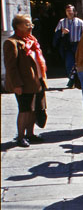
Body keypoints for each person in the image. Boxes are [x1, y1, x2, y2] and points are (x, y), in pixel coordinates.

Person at [3, 14, 48, 147]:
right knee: (25, 110)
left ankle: (30, 133)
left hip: (37, 81)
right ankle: (20, 136)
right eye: (27, 24)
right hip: (24, 83)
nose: (30, 27)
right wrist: (17, 84)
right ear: (18, 26)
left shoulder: (31, 41)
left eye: (31, 25)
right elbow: (11, 67)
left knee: (36, 109)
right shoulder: (12, 43)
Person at [54, 4, 83, 87]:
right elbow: (56, 34)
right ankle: (72, 81)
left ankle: (78, 80)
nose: (69, 13)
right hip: (67, 45)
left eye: (71, 11)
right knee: (69, 63)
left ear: (75, 12)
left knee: (79, 63)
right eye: (67, 11)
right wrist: (62, 32)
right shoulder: (62, 22)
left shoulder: (80, 22)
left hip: (77, 45)